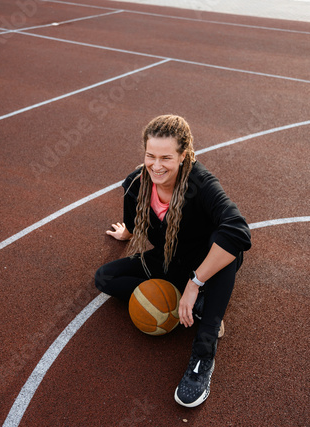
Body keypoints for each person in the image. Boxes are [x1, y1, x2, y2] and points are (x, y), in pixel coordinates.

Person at [95, 115, 251, 408]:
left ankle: (203, 355)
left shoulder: (201, 184)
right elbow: (131, 221)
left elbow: (239, 230)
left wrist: (196, 282)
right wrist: (126, 233)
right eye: (150, 156)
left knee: (228, 245)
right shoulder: (135, 185)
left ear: (183, 155)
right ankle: (182, 302)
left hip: (206, 267)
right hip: (169, 260)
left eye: (166, 157)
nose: (156, 165)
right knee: (104, 278)